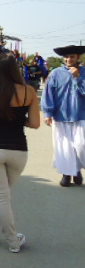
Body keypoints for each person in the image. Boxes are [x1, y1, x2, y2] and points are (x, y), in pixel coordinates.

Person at [0, 54, 40, 252]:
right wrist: (19, 120)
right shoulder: (29, 92)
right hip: (18, 150)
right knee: (2, 195)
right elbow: (35, 123)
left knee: (0, 195)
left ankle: (12, 240)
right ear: (15, 70)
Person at [41, 45, 85, 187]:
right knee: (65, 147)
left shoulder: (83, 72)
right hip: (61, 116)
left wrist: (78, 78)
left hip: (80, 115)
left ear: (78, 57)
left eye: (72, 56)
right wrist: (48, 113)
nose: (68, 59)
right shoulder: (56, 73)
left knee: (81, 146)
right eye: (66, 57)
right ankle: (67, 174)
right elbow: (48, 94)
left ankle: (77, 169)